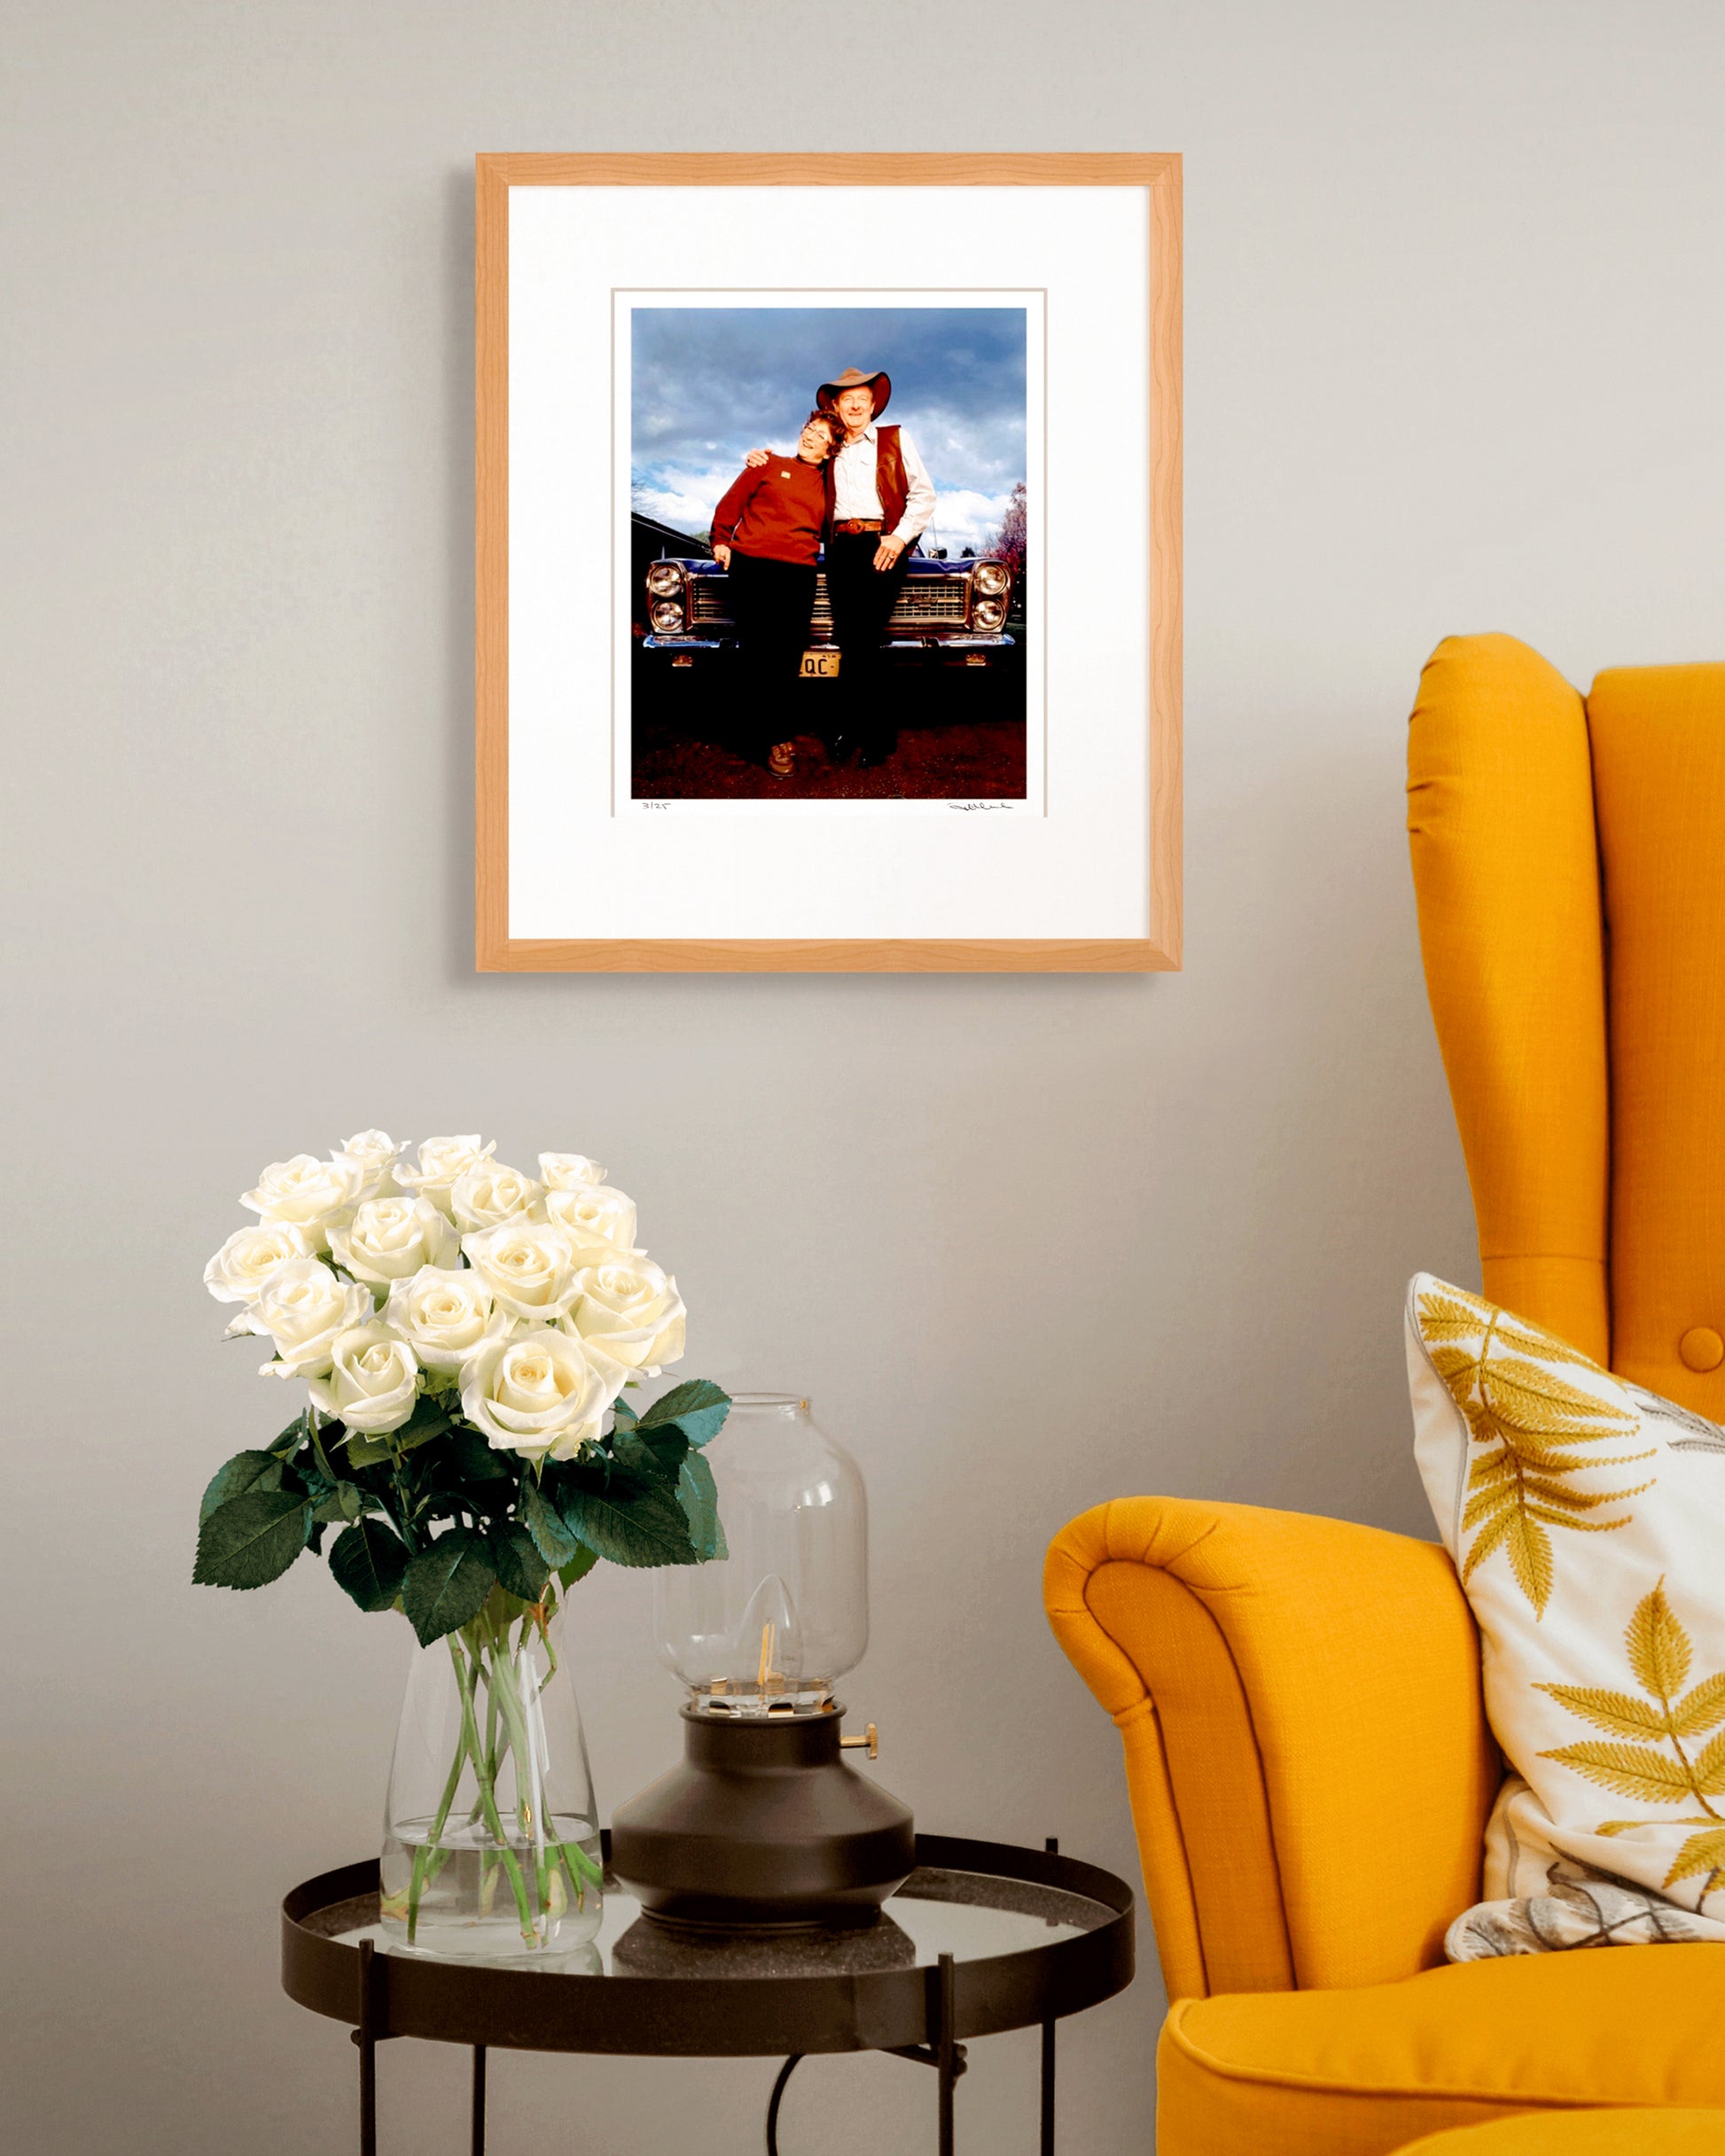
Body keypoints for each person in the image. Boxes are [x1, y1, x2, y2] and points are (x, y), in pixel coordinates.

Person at [747, 366, 936, 768]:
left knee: (865, 639)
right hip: (839, 550)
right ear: (836, 405)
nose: (854, 404)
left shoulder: (895, 439)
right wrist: (758, 459)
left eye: (862, 398)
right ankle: (849, 728)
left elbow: (923, 496)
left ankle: (876, 736)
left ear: (872, 406)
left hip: (882, 543)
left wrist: (898, 538)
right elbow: (795, 474)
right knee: (848, 640)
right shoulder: (828, 450)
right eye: (846, 398)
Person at [707, 410, 841, 777]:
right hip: (751, 567)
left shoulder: (831, 484)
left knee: (785, 660)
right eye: (808, 429)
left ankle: (777, 736)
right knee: (756, 655)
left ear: (831, 450)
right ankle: (772, 736)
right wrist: (720, 539)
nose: (810, 436)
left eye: (820, 435)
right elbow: (730, 504)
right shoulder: (766, 464)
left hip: (798, 574)